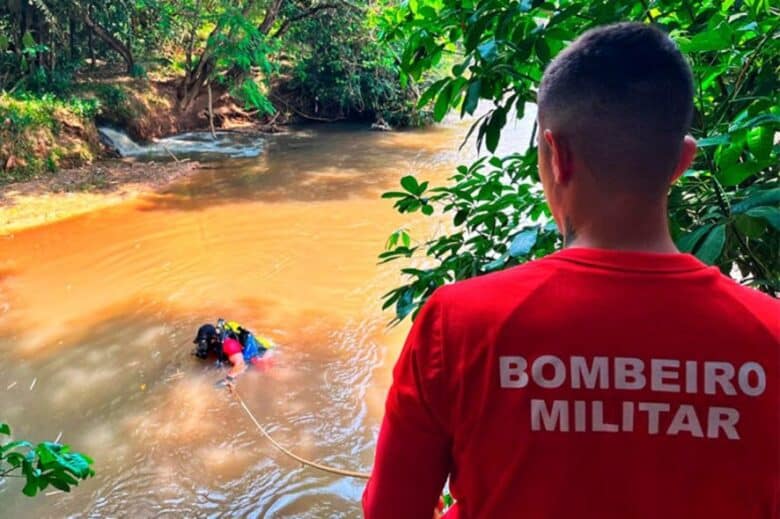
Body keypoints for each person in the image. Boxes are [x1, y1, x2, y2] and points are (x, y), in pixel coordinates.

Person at [363, 23, 779, 519]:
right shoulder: (768, 336)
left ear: (556, 156)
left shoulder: (457, 325)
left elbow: (391, 511)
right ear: (681, 161)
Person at [192, 319, 274, 386]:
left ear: (213, 339)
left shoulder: (229, 345)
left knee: (265, 372)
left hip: (263, 351)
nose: (202, 346)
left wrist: (229, 379)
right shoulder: (215, 343)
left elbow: (241, 364)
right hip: (239, 350)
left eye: (203, 343)